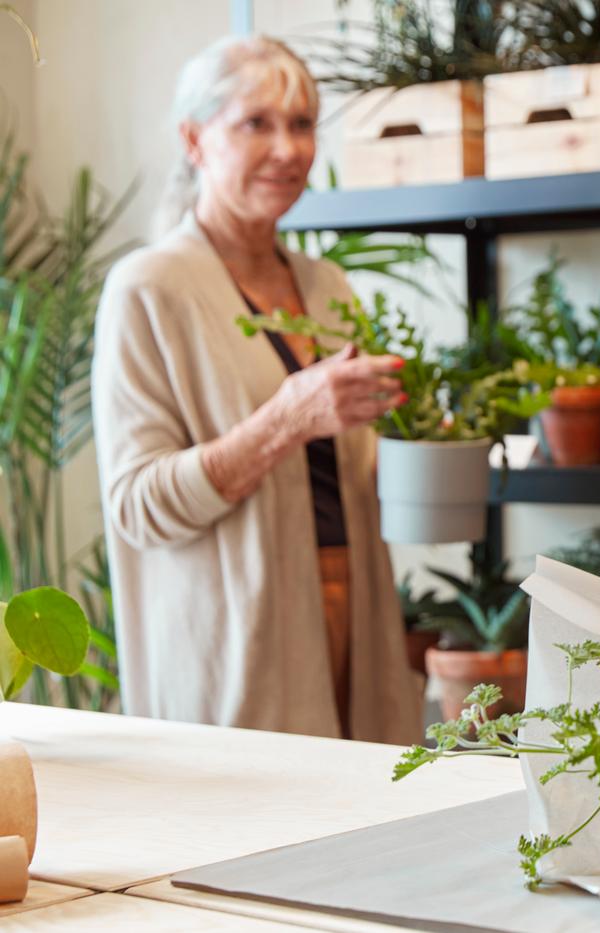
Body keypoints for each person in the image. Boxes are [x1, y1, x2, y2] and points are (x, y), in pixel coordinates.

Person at [92, 36, 419, 742]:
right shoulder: (148, 288)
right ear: (194, 139)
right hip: (234, 646)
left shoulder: (328, 286)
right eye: (256, 123)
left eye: (302, 124)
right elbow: (136, 505)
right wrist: (284, 420)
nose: (288, 148)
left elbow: (354, 471)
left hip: (354, 616)